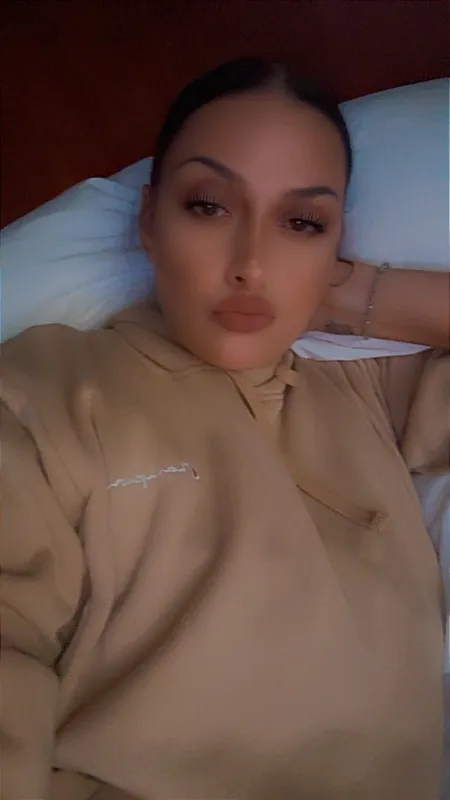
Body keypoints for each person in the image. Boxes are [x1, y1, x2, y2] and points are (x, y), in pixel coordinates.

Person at [1, 58, 449, 800]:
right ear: (148, 221)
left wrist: (355, 291)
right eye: (208, 206)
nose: (251, 265)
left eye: (301, 223)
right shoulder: (42, 392)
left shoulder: (368, 392)